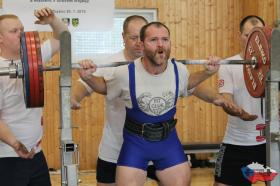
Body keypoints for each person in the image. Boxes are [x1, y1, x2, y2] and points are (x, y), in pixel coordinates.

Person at [77, 21, 250, 186]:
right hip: (135, 143)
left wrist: (207, 72)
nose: (161, 45)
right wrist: (89, 77)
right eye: (154, 40)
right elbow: (104, 87)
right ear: (142, 45)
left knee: (182, 181)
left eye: (165, 40)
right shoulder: (125, 73)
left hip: (168, 143)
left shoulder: (179, 70)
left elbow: (188, 83)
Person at [71, 15, 160, 185]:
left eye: (142, 37)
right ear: (123, 37)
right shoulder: (110, 63)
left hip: (153, 146)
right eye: (133, 38)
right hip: (115, 148)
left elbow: (190, 85)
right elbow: (84, 83)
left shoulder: (160, 63)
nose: (138, 43)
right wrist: (75, 98)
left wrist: (215, 92)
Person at [0, 7, 68, 186]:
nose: (20, 34)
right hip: (8, 156)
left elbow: (64, 38)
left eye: (22, 29)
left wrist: (53, 20)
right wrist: (16, 145)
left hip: (36, 153)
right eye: (14, 31)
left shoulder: (33, 59)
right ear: (0, 38)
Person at [214, 15, 266, 186]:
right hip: (237, 144)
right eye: (247, 35)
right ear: (240, 35)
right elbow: (226, 98)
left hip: (270, 145)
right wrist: (237, 110)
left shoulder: (274, 65)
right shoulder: (228, 65)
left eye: (257, 35)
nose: (252, 40)